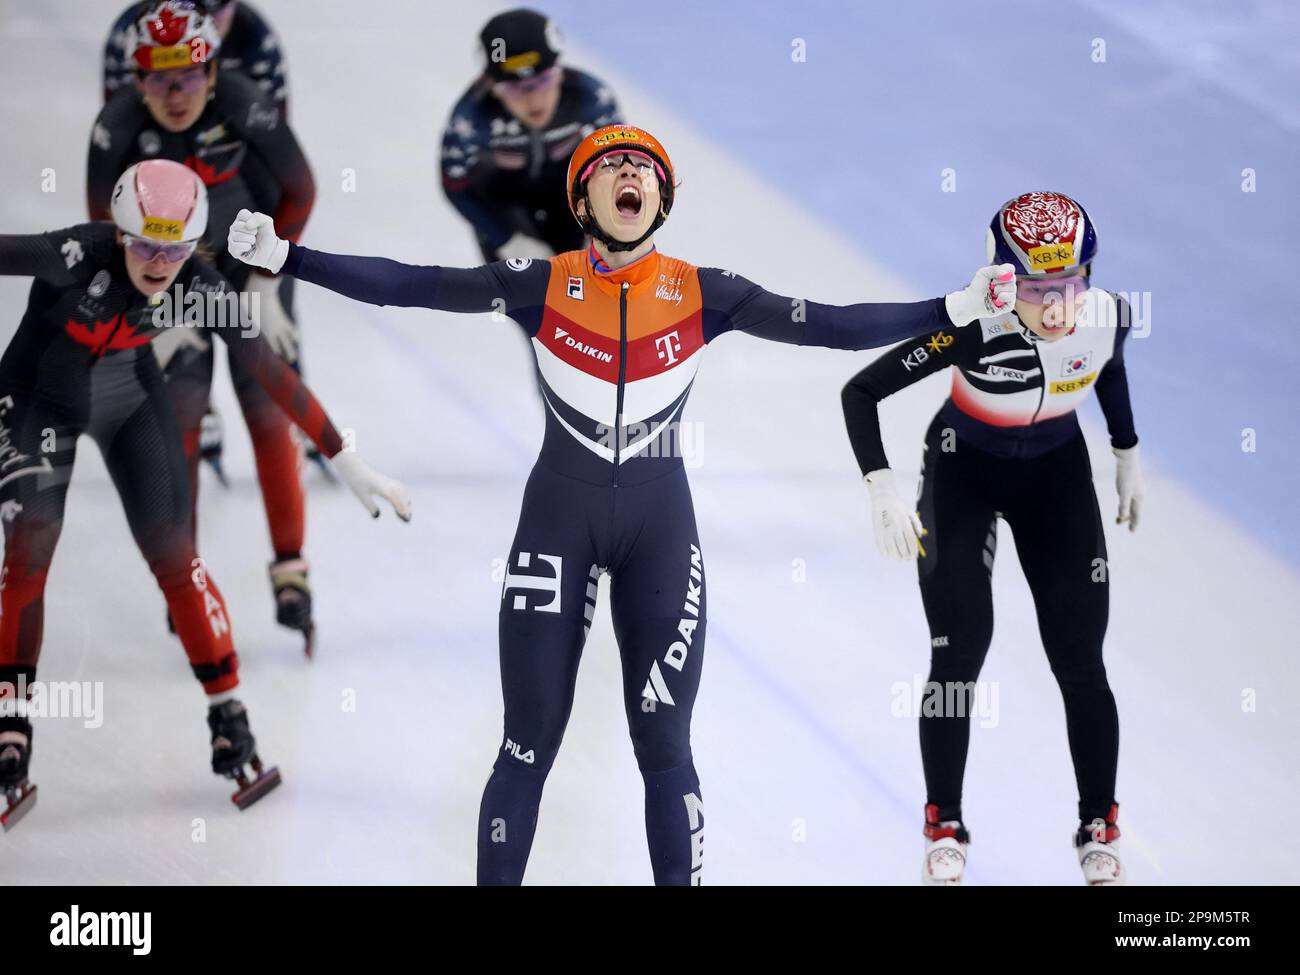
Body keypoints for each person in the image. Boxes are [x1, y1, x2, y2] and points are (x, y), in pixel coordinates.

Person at [227, 124, 1014, 885]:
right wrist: (289, 258)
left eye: (643, 167)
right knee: (526, 747)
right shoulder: (539, 285)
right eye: (610, 168)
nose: (628, 175)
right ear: (584, 199)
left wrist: (953, 309)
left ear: (661, 196)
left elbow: (835, 328)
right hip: (557, 524)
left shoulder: (707, 294)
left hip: (659, 530)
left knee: (665, 747)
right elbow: (409, 285)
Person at [0, 160, 408, 828]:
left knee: (179, 558)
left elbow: (269, 371)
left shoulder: (198, 285)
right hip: (38, 401)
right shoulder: (76, 251)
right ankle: (11, 722)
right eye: (145, 245)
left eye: (177, 247)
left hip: (130, 396)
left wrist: (343, 453)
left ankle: (229, 716)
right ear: (118, 231)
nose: (160, 263)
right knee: (28, 552)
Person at [840, 191, 1143, 886]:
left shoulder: (1109, 315)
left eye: (1071, 284)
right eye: (1038, 288)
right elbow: (861, 391)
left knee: (1080, 655)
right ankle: (944, 820)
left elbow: (1112, 365)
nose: (1059, 306)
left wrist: (1128, 451)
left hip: (1056, 475)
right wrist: (880, 483)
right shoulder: (974, 325)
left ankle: (1099, 823)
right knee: (959, 649)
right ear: (1005, 281)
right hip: (963, 471)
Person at [89, 0, 322, 651]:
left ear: (213, 72)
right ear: (135, 81)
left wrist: (271, 280)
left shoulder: (246, 101)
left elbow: (300, 191)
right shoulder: (116, 125)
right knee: (181, 418)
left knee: (270, 414)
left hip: (250, 275)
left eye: (188, 76)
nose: (174, 93)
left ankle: (291, 566)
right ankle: (187, 575)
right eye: (158, 80)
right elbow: (107, 226)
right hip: (172, 282)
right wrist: (148, 304)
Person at [440, 8, 620, 263]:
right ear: (492, 87)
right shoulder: (471, 117)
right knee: (520, 295)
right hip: (504, 202)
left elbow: (620, 162)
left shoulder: (590, 97)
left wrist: (606, 221)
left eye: (544, 81)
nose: (533, 99)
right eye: (515, 89)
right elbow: (455, 186)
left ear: (559, 71)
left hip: (565, 196)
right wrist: (506, 239)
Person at [103, 0, 288, 109]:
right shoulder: (134, 32)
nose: (208, 25)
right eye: (196, 14)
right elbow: (116, 115)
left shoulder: (254, 36)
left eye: (217, 15)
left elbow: (274, 122)